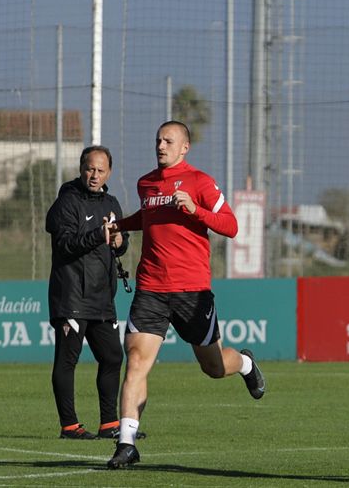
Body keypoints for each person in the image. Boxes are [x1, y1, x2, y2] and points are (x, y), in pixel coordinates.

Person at [102, 120, 265, 469]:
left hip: (192, 291)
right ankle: (126, 443)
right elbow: (150, 218)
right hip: (151, 288)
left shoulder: (200, 182)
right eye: (158, 139)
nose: (161, 146)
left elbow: (232, 227)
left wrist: (195, 209)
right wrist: (121, 225)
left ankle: (246, 364)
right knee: (136, 364)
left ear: (184, 147)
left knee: (214, 366)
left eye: (168, 141)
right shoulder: (146, 183)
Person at [45, 145, 137, 441]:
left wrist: (121, 241)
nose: (94, 175)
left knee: (112, 356)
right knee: (67, 360)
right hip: (71, 295)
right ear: (81, 168)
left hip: (101, 296)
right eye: (89, 169)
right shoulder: (67, 202)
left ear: (109, 172)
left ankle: (109, 423)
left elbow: (119, 245)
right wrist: (99, 235)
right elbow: (65, 245)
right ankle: (69, 426)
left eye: (100, 170)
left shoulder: (111, 203)